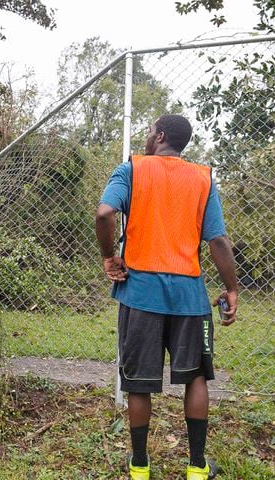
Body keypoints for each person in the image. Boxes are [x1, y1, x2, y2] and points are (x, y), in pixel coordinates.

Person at [95, 114, 238, 480]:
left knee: (138, 382)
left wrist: (109, 257)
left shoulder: (133, 170)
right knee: (196, 379)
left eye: (147, 132)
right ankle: (196, 467)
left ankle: (140, 466)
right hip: (189, 298)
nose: (145, 139)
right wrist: (232, 288)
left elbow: (104, 213)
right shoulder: (203, 179)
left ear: (159, 136)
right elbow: (218, 240)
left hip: (141, 296)